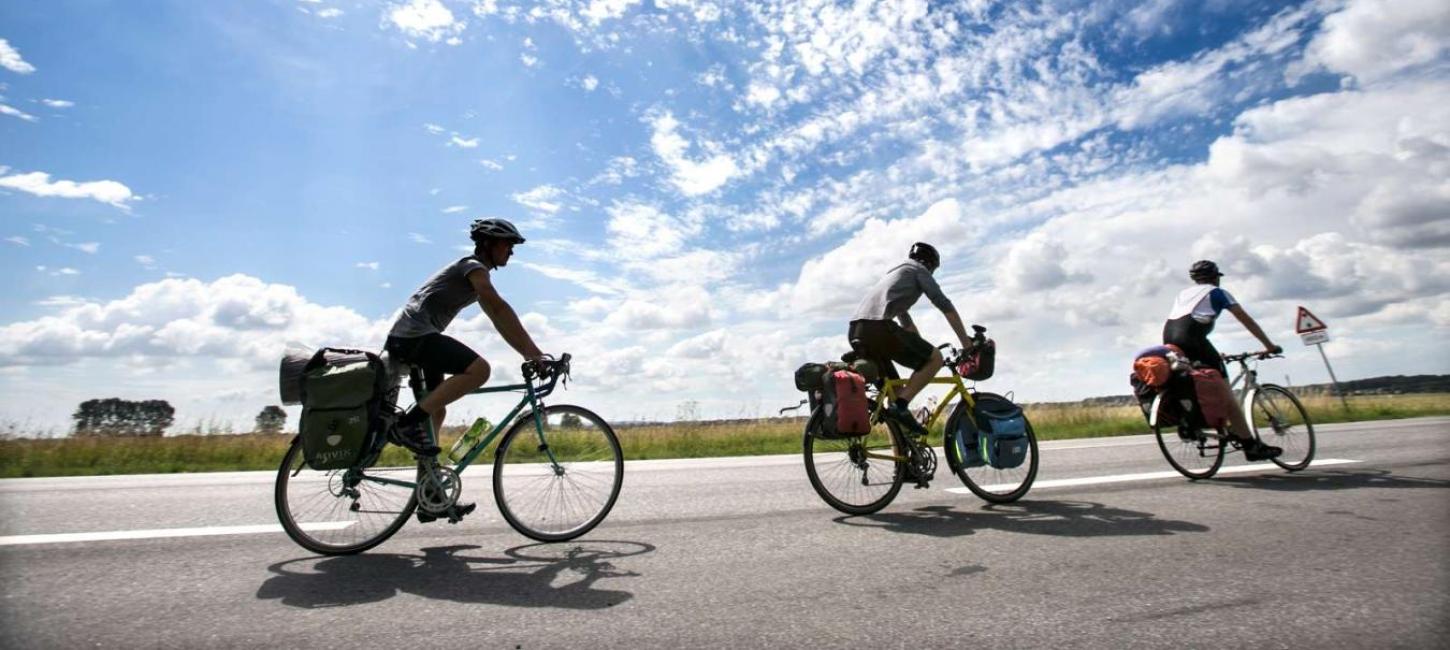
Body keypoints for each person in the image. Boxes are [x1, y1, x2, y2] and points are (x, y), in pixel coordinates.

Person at [384, 218, 546, 456]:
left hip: (410, 337)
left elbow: (499, 320)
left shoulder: (476, 277)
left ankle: (429, 482)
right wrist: (535, 353)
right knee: (480, 370)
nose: (511, 250)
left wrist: (527, 352)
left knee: (436, 410)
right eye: (507, 244)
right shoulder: (472, 267)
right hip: (413, 336)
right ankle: (406, 425)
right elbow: (499, 308)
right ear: (488, 243)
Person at [848, 242, 974, 436]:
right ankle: (901, 406)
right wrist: (966, 343)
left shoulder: (896, 275)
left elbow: (907, 325)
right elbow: (944, 304)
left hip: (856, 330)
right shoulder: (918, 270)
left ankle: (902, 461)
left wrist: (922, 348)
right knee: (936, 358)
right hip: (878, 329)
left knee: (895, 393)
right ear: (930, 264)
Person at [1163, 260, 1283, 460]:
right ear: (1216, 277)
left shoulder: (1183, 294)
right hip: (1194, 340)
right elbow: (1246, 320)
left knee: (1197, 381)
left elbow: (1189, 321)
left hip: (1170, 339)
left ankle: (1196, 422)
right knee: (1226, 394)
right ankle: (1251, 446)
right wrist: (1269, 345)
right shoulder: (1217, 292)